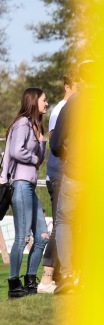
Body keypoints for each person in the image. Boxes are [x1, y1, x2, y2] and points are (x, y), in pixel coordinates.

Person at [1, 88, 50, 298]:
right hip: (20, 185)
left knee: (42, 236)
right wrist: (33, 158)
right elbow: (15, 151)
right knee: (22, 238)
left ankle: (30, 281)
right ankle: (14, 284)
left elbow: (39, 158)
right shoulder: (22, 123)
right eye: (44, 100)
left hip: (29, 186)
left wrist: (41, 139)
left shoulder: (34, 125)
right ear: (33, 101)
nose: (47, 104)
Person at [39, 74, 78, 294]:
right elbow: (55, 142)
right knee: (60, 224)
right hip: (61, 174)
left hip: (71, 172)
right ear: (67, 87)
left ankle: (66, 274)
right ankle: (47, 276)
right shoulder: (61, 109)